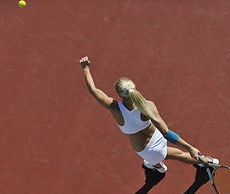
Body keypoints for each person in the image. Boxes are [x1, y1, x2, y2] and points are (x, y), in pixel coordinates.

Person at [79, 56, 218, 173]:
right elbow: (166, 132)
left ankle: (158, 166)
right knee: (181, 155)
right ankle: (207, 161)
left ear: (119, 94)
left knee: (156, 159)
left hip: (147, 151)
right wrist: (190, 147)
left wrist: (85, 68)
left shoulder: (114, 108)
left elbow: (93, 90)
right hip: (158, 138)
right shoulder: (148, 106)